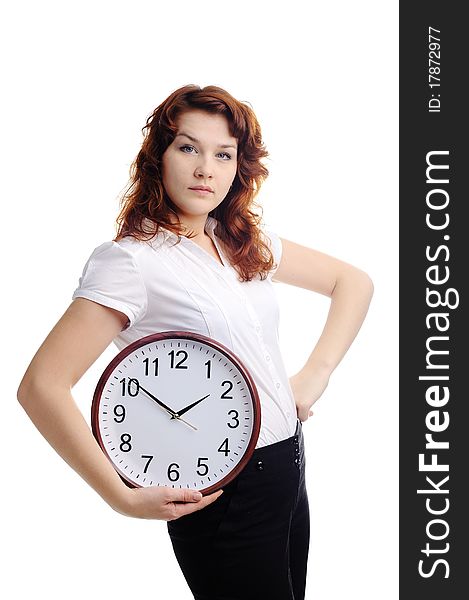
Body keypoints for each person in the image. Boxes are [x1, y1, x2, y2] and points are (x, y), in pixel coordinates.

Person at [17, 84, 373, 600]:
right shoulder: (132, 261)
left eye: (222, 153)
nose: (206, 168)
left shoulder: (241, 240)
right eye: (188, 148)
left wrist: (311, 378)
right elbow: (42, 385)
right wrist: (119, 496)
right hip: (222, 494)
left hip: (288, 467)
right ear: (157, 156)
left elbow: (353, 282)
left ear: (237, 167)